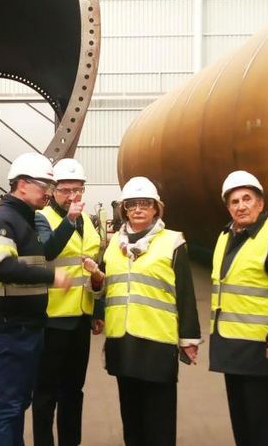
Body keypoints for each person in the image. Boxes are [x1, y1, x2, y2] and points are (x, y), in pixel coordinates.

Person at [100, 176, 201, 446]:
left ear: (156, 208)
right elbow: (108, 284)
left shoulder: (173, 242)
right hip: (123, 342)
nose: (138, 209)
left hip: (157, 344)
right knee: (131, 418)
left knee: (159, 421)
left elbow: (186, 294)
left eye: (145, 203)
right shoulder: (113, 245)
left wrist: (188, 339)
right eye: (132, 204)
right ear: (124, 209)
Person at [209, 171, 268, 446]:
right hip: (230, 348)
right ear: (228, 207)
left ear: (260, 203)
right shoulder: (225, 236)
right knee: (242, 426)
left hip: (260, 348)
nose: (241, 206)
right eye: (234, 201)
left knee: (262, 429)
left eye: (247, 199)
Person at [0, 152, 70, 446]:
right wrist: (51, 277)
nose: (48, 191)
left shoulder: (25, 221)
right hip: (11, 328)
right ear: (21, 184)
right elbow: (1, 266)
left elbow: (45, 253)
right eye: (44, 184)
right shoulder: (1, 222)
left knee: (19, 402)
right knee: (9, 405)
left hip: (27, 326)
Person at [32, 158, 105, 446]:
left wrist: (97, 309)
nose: (73, 196)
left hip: (81, 317)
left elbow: (96, 265)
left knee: (74, 390)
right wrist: (69, 219)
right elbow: (48, 252)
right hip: (52, 317)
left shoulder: (88, 221)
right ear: (52, 191)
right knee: (46, 390)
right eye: (66, 190)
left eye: (78, 190)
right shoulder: (41, 218)